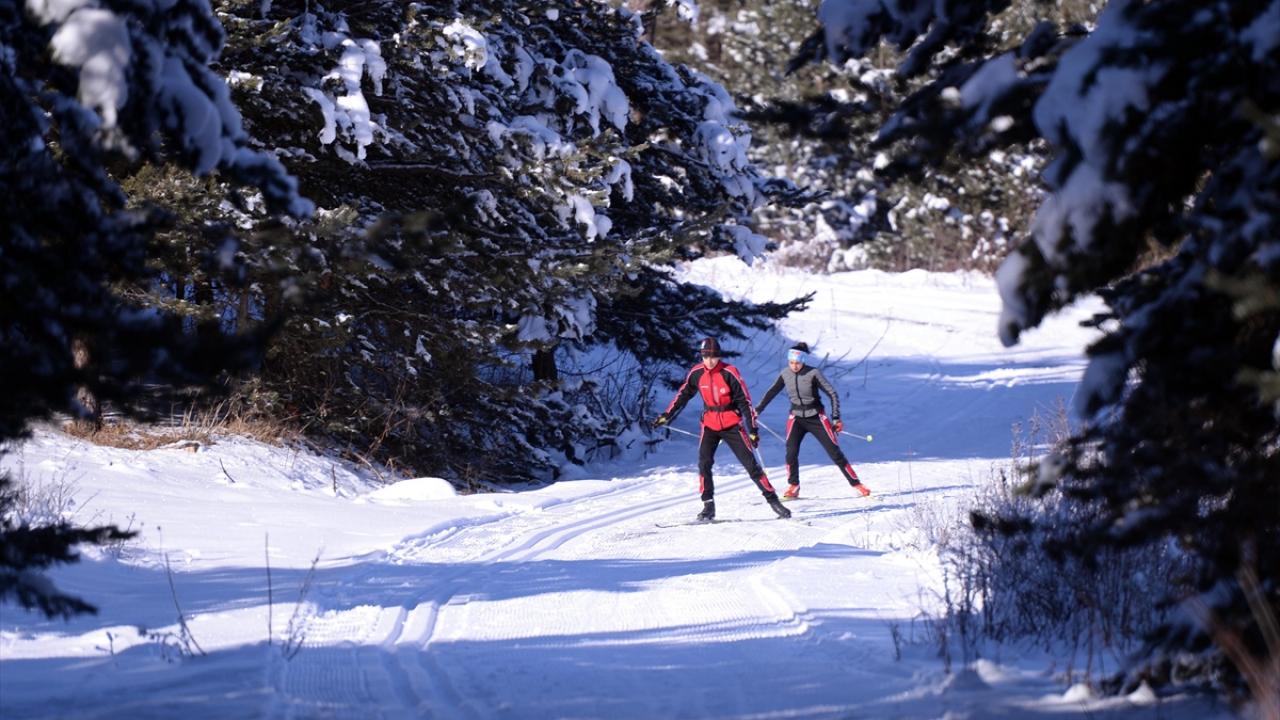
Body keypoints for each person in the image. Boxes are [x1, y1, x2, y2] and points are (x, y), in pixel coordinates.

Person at [654, 337, 791, 522]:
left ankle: (773, 501)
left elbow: (745, 402)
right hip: (709, 424)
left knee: (751, 465)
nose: (710, 361)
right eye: (706, 357)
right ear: (702, 356)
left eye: (714, 357)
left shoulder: (729, 372)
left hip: (732, 424)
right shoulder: (696, 373)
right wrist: (666, 415)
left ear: (719, 356)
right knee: (704, 464)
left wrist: (752, 429)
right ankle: (708, 506)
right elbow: (683, 395)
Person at [754, 342, 871, 501]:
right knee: (791, 452)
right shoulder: (785, 374)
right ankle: (793, 486)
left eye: (797, 362)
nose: (794, 366)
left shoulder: (813, 373)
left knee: (834, 453)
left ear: (803, 361)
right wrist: (757, 410)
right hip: (796, 418)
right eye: (791, 362)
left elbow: (832, 394)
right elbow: (771, 392)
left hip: (816, 417)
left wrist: (836, 418)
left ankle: (857, 484)